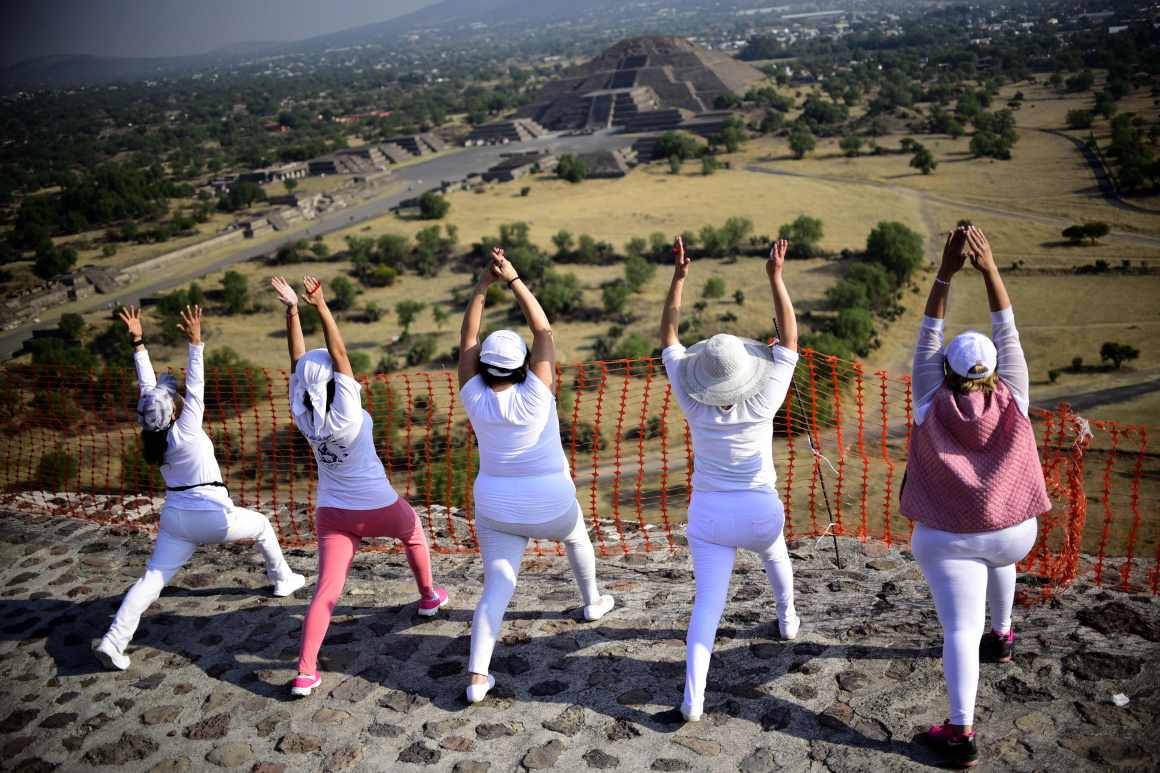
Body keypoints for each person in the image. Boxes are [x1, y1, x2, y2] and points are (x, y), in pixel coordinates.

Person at [904, 225, 1050, 768]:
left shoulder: (927, 397)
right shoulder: (1014, 391)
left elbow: (927, 331)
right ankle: (1004, 634)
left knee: (956, 629)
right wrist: (989, 268)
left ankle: (960, 733)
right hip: (1015, 531)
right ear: (992, 371)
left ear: (944, 369)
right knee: (998, 552)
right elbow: (1005, 327)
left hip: (947, 539)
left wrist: (946, 270)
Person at [93, 305, 305, 671]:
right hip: (211, 515)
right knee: (262, 526)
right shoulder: (186, 428)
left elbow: (148, 393)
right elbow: (197, 387)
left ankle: (114, 640)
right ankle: (282, 579)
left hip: (176, 518)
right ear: (173, 412)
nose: (174, 398)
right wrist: (196, 343)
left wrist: (138, 342)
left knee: (152, 580)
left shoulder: (153, 432)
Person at [271, 275, 448, 698]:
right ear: (335, 382)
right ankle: (428, 597)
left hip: (332, 513)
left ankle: (305, 672)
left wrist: (292, 311)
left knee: (326, 590)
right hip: (378, 505)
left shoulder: (303, 412)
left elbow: (301, 367)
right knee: (413, 530)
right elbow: (339, 353)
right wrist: (320, 306)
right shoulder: (348, 410)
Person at [458, 248, 615, 705]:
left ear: (485, 366)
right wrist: (512, 279)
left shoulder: (473, 394)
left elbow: (468, 335)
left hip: (495, 508)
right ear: (522, 365)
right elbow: (544, 329)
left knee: (498, 586)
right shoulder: (538, 392)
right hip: (551, 503)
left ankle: (476, 677)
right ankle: (592, 603)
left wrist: (482, 286)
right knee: (577, 537)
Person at [660, 236, 801, 723]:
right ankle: (787, 620)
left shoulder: (691, 400)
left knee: (707, 608)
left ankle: (693, 699)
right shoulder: (764, 401)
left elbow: (669, 341)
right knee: (775, 551)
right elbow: (790, 342)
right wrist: (775, 277)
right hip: (760, 509)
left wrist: (679, 277)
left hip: (710, 514)